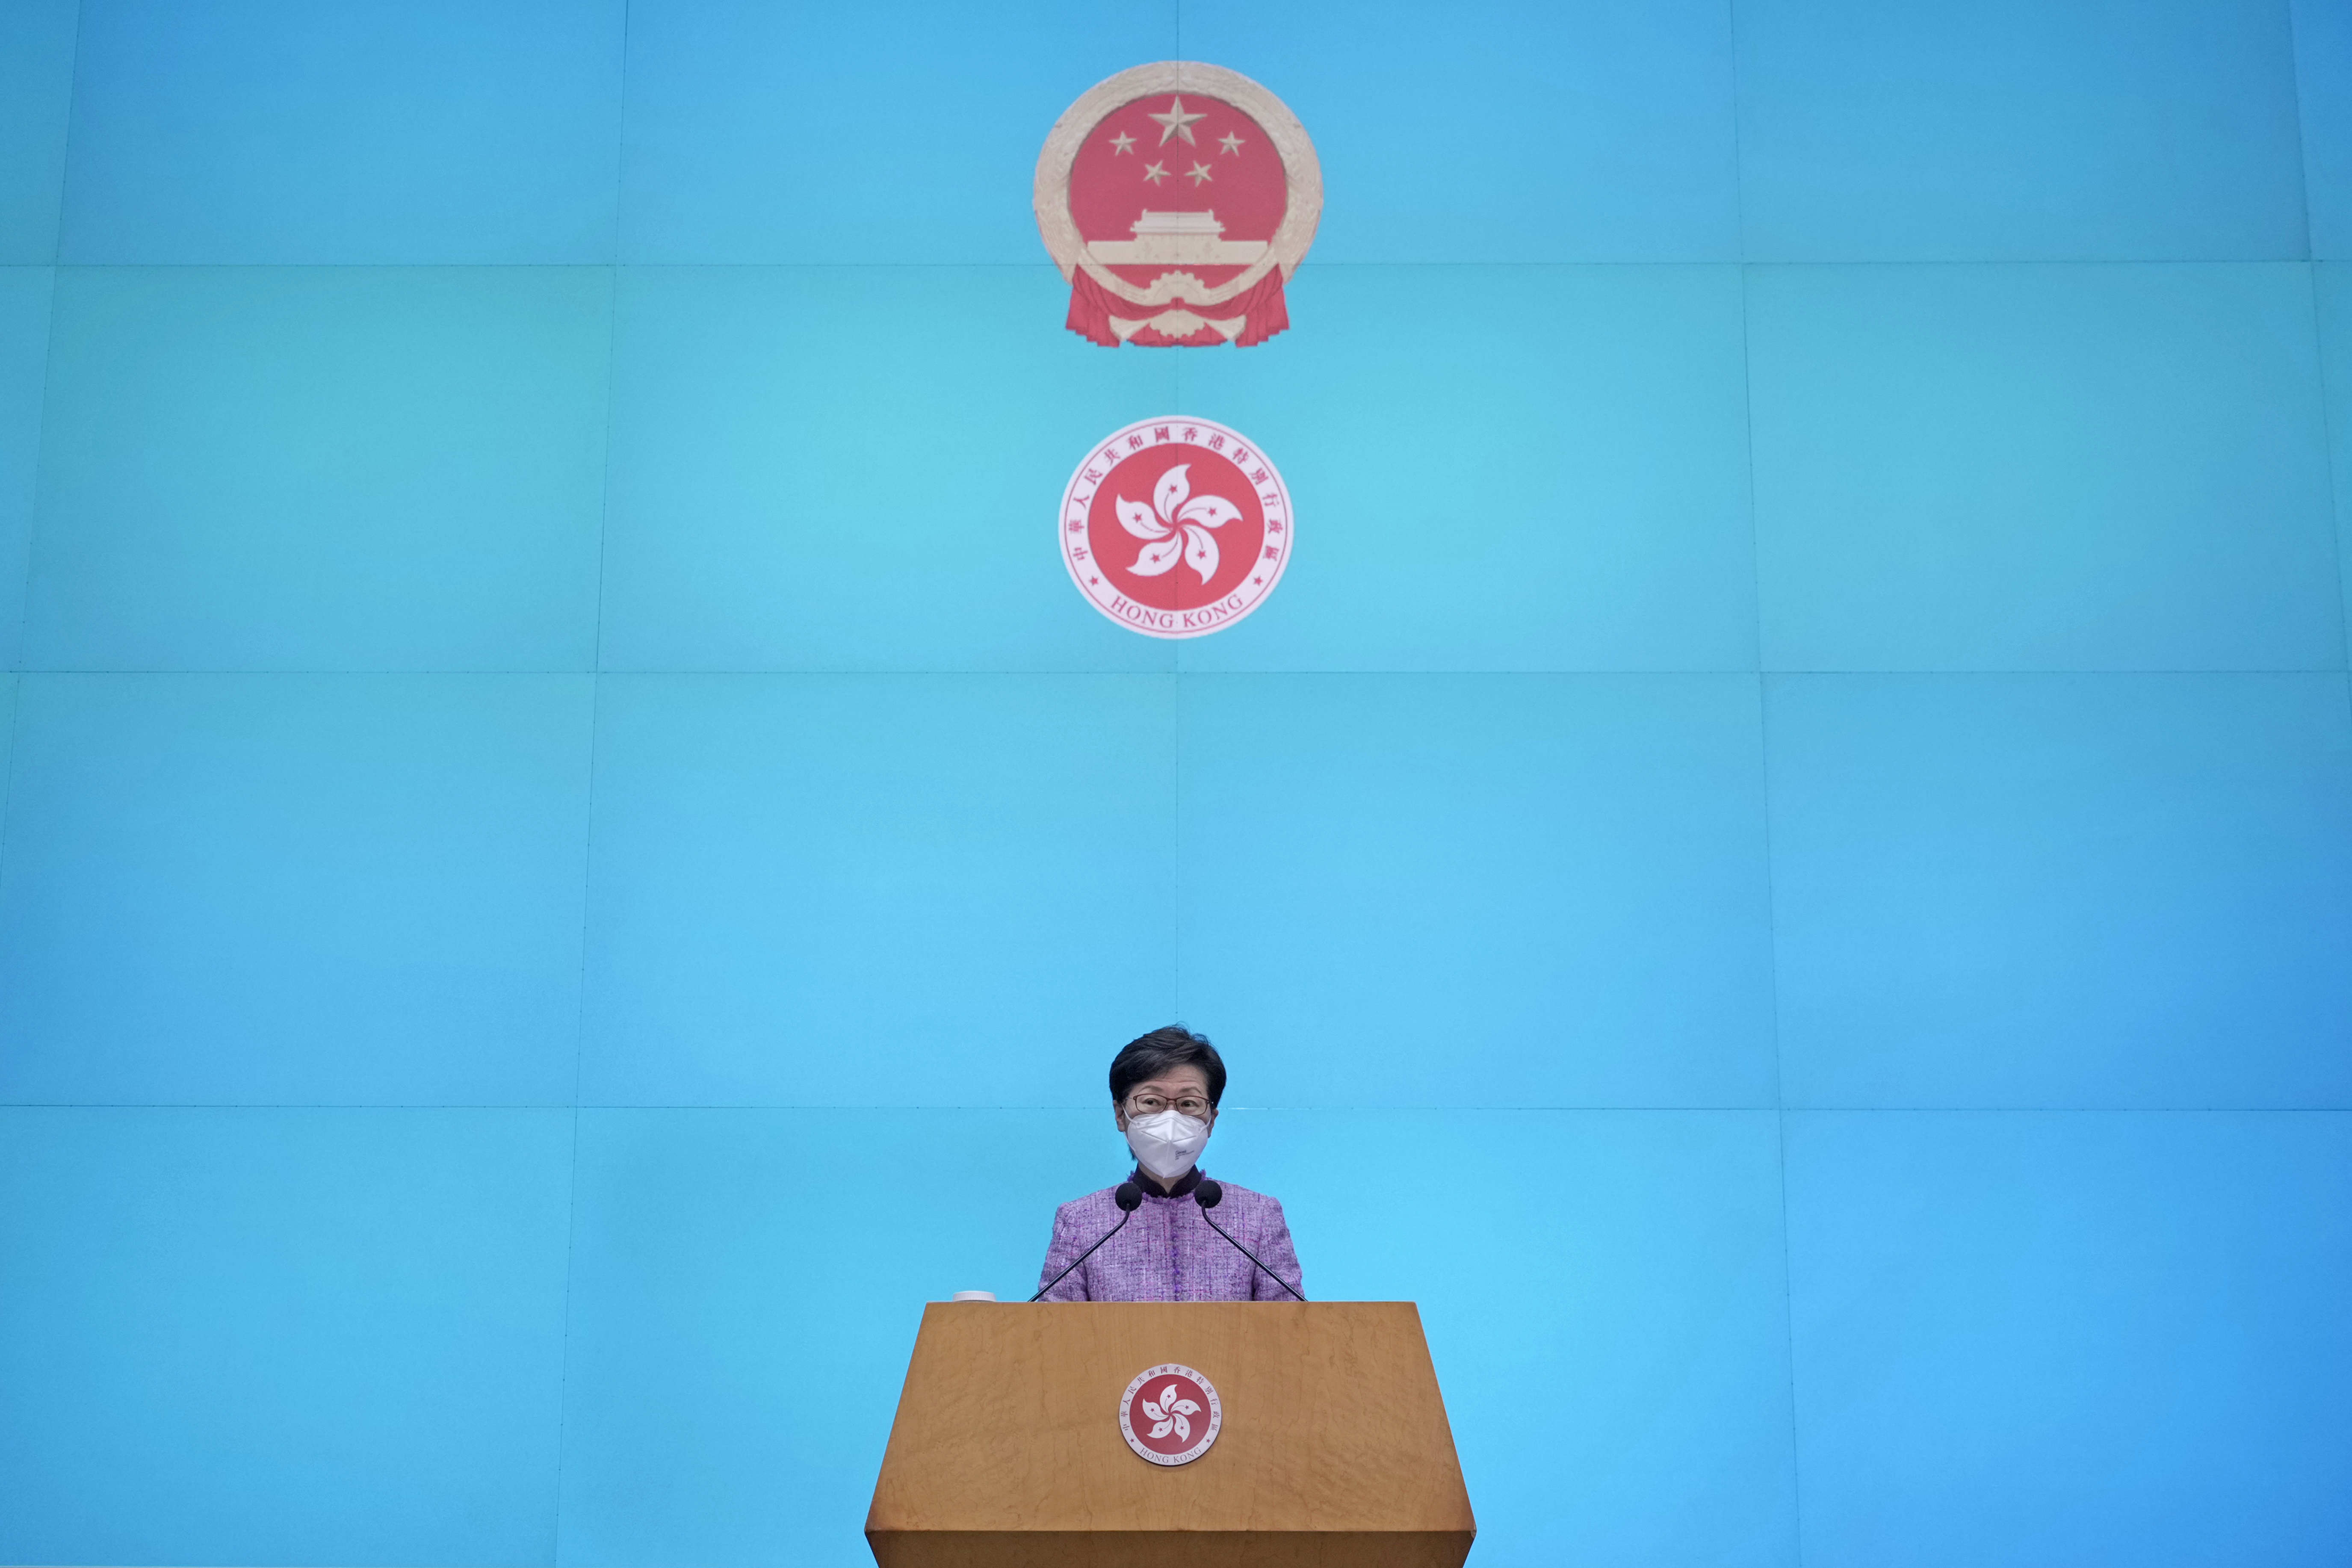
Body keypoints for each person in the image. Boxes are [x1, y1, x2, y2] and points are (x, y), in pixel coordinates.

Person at [1034, 1025, 1303, 1302]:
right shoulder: (1080, 1222)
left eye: (1189, 1103)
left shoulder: (1258, 1217)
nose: (1171, 1118)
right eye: (1152, 1101)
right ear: (1120, 1114)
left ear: (1211, 1119)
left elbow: (1290, 1331)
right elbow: (1055, 1335)